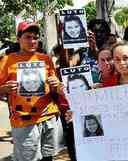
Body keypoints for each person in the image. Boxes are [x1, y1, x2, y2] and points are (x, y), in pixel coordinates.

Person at [0, 21, 64, 161]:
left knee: (49, 157)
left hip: (49, 116)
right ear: (18, 39)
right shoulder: (7, 61)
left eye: (35, 37)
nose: (32, 41)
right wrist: (4, 88)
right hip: (24, 120)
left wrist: (57, 85)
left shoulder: (46, 59)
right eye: (28, 37)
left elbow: (56, 88)